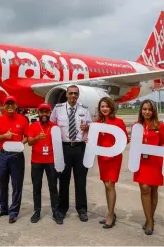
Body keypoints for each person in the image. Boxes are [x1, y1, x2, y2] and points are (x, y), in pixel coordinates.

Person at [49, 85, 92, 223]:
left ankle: (82, 209)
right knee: (63, 179)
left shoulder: (84, 110)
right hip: (64, 147)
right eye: (71, 93)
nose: (73, 96)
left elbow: (92, 126)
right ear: (66, 95)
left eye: (75, 93)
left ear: (78, 95)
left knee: (81, 180)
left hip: (79, 148)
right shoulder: (58, 108)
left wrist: (88, 127)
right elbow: (52, 125)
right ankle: (62, 209)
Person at [0, 96, 29, 224]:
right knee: (2, 183)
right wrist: (5, 136)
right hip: (3, 155)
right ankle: (3, 208)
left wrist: (20, 143)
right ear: (4, 107)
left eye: (12, 104)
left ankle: (13, 212)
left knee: (16, 185)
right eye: (7, 104)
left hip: (17, 155)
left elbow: (27, 137)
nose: (10, 107)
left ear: (16, 106)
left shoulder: (23, 119)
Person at [93, 97, 128, 229]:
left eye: (107, 106)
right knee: (106, 185)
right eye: (102, 106)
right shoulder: (97, 123)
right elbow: (95, 140)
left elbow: (125, 140)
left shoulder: (118, 122)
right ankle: (110, 212)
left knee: (110, 185)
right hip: (102, 158)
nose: (104, 109)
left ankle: (110, 215)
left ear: (111, 107)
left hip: (114, 157)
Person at [134, 99, 164, 235]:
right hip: (142, 162)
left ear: (153, 111)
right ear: (141, 111)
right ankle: (149, 221)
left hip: (155, 163)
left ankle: (150, 219)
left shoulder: (160, 126)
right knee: (144, 188)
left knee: (153, 190)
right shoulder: (137, 126)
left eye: (149, 109)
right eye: (144, 109)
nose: (147, 112)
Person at [27, 103, 62, 225]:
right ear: (38, 113)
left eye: (46, 112)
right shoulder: (33, 126)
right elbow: (30, 142)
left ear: (50, 113)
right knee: (37, 188)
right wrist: (37, 138)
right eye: (41, 112)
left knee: (53, 187)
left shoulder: (55, 127)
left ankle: (55, 211)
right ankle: (37, 211)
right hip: (36, 161)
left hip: (51, 161)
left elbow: (59, 144)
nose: (44, 114)